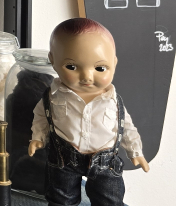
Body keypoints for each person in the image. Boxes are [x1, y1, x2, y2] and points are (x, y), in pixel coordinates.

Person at [28, 18, 149, 206]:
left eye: (100, 68)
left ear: (114, 63)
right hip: (63, 158)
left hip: (105, 162)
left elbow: (126, 127)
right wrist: (38, 137)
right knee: (61, 199)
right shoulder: (53, 96)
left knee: (109, 200)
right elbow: (42, 116)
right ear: (53, 60)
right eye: (72, 67)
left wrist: (136, 152)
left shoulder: (113, 102)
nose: (87, 77)